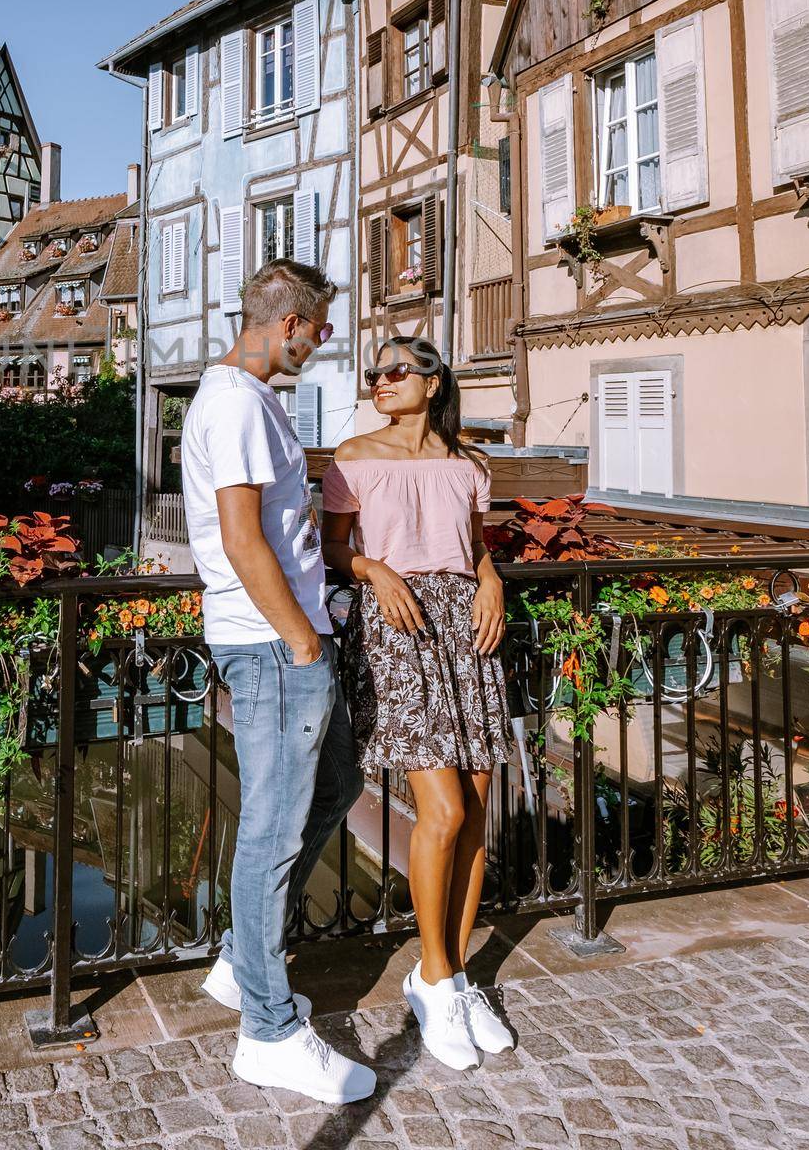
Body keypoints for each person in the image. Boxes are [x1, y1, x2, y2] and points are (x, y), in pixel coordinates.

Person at [180, 258, 374, 1105]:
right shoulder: (234, 404)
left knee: (335, 785)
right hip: (272, 645)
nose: (322, 343)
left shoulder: (250, 404)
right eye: (320, 328)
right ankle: (268, 1030)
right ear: (288, 323)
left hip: (286, 641)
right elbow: (241, 537)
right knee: (272, 831)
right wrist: (300, 640)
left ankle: (240, 961)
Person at [321, 336, 514, 1072]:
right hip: (398, 629)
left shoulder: (469, 464)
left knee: (477, 814)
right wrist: (372, 569)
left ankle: (454, 977)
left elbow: (473, 546)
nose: (381, 381)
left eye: (397, 371)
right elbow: (330, 546)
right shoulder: (354, 455)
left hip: (467, 627)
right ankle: (433, 979)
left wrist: (491, 579)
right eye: (374, 373)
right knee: (443, 812)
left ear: (434, 383)